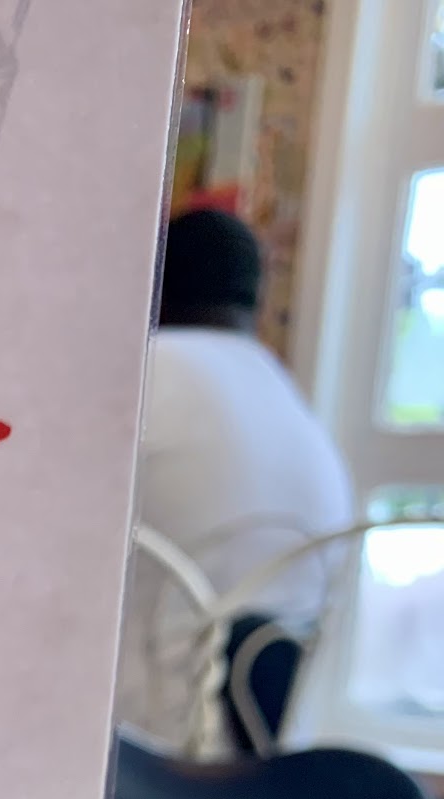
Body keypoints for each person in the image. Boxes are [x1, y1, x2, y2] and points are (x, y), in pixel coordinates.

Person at [118, 209, 354, 752]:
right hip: (264, 756)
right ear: (259, 301)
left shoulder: (137, 376)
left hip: (137, 748)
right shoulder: (293, 406)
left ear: (152, 278)